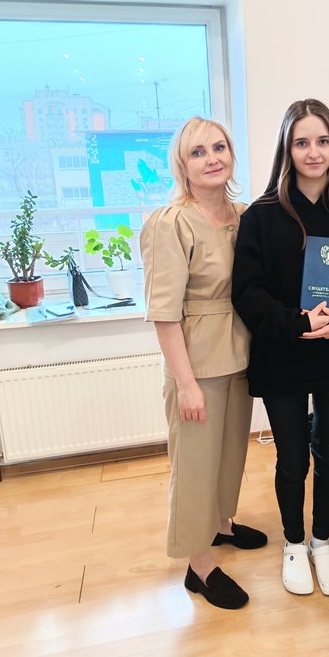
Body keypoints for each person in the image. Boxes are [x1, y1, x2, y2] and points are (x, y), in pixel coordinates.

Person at [232, 99, 329, 596]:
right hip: (283, 356)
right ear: (287, 149)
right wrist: (297, 322)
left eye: (323, 141)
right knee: (292, 458)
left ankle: (321, 541)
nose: (313, 152)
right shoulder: (261, 215)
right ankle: (293, 543)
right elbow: (247, 293)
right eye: (302, 142)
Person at [140, 117, 267, 611]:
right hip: (196, 362)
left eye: (219, 148)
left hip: (240, 354)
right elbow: (164, 314)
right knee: (194, 465)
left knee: (230, 454)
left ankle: (220, 525)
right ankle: (199, 564)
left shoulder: (244, 216)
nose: (212, 158)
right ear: (182, 164)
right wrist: (186, 383)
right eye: (198, 152)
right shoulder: (170, 223)